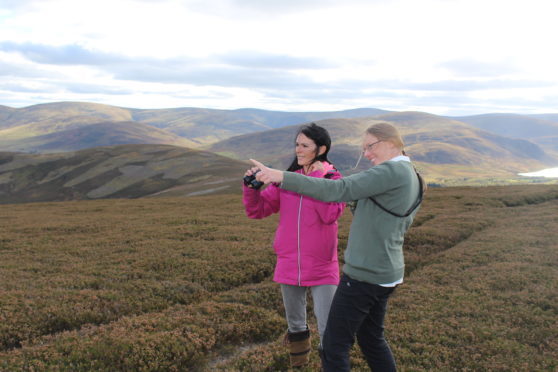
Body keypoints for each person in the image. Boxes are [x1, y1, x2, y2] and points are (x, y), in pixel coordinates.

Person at [250, 122, 425, 372]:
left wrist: (282, 176)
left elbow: (339, 189)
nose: (366, 154)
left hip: (364, 274)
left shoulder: (390, 172)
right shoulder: (412, 173)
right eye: (363, 148)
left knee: (333, 346)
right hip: (387, 271)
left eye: (370, 146)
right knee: (372, 340)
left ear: (390, 142)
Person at [242, 123, 345, 368]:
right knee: (295, 325)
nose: (298, 150)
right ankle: (298, 365)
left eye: (305, 145)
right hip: (289, 263)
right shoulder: (287, 179)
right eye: (297, 144)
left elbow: (329, 215)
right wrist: (251, 189)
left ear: (321, 149)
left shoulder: (333, 179)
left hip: (322, 266)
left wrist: (318, 178)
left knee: (328, 326)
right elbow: (258, 211)